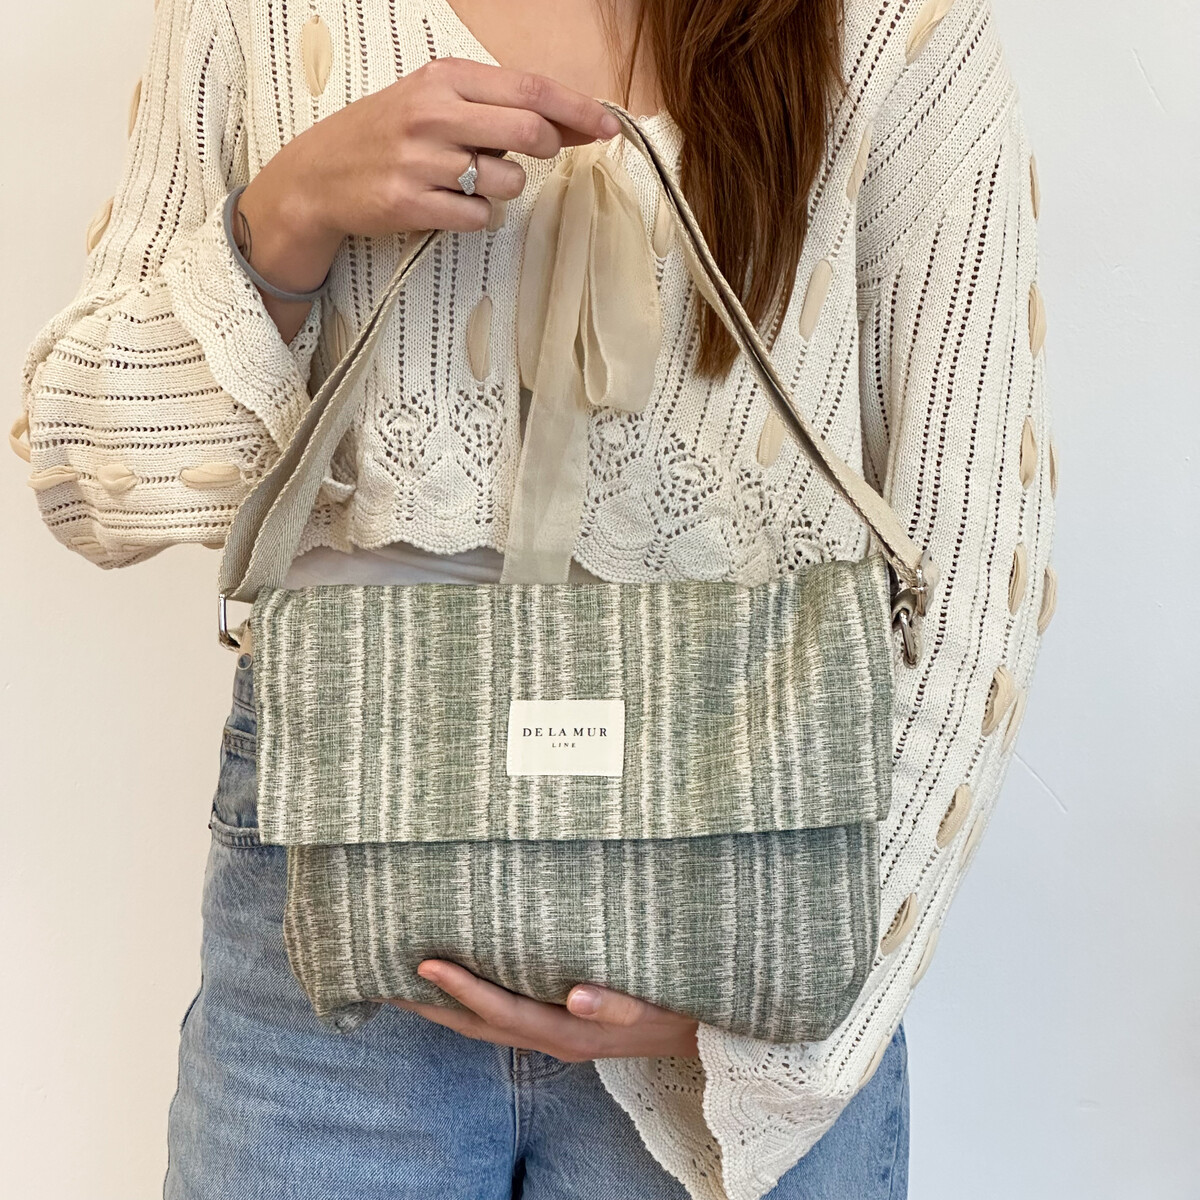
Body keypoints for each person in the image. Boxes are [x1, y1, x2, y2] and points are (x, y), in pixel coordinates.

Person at [11, 0, 1057, 1197]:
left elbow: (980, 567)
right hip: (334, 880)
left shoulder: (896, 24)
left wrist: (785, 1021)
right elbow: (86, 480)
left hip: (745, 908)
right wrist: (285, 215)